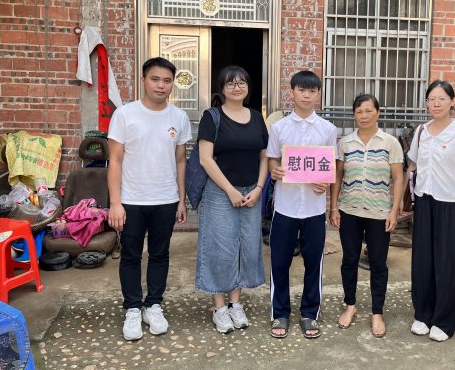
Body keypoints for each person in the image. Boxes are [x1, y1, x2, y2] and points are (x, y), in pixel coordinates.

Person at [107, 57, 192, 341]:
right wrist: (115, 202)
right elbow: (115, 161)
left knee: (160, 254)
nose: (161, 85)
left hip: (165, 198)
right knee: (130, 254)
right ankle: (133, 307)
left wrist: (181, 199)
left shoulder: (178, 117)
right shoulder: (125, 114)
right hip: (131, 199)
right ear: (143, 80)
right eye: (155, 79)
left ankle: (153, 304)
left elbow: (180, 161)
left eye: (167, 81)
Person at [195, 65, 268, 334]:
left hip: (251, 191)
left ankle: (235, 303)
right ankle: (219, 307)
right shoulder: (212, 117)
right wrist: (230, 190)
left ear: (248, 86)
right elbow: (205, 159)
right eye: (231, 83)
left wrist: (259, 188)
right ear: (222, 89)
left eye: (242, 82)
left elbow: (264, 155)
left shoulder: (257, 117)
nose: (237, 87)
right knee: (219, 247)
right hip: (219, 192)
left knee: (246, 245)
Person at [405, 80, 455, 342]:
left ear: (452, 102)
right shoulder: (421, 132)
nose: (435, 104)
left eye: (441, 99)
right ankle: (423, 314)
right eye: (431, 99)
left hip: (452, 204)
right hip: (425, 202)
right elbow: (413, 165)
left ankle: (444, 320)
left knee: (449, 263)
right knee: (423, 260)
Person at [266, 70, 338, 339]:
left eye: (312, 91)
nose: (307, 95)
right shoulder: (279, 128)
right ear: (292, 92)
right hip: (285, 206)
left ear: (318, 95)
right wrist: (274, 170)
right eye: (302, 90)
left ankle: (309, 313)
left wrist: (325, 183)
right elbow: (272, 159)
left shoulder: (328, 129)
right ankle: (280, 313)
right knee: (279, 262)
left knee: (313, 263)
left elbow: (330, 167)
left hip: (314, 208)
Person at [329, 94, 404, 338]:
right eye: (359, 111)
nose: (364, 115)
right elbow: (338, 176)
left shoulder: (390, 143)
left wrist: (394, 210)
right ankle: (350, 305)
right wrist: (334, 207)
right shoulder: (345, 143)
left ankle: (377, 312)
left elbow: (398, 178)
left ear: (378, 113)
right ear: (354, 114)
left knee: (378, 263)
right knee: (349, 260)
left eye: (369, 110)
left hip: (379, 213)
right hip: (349, 211)